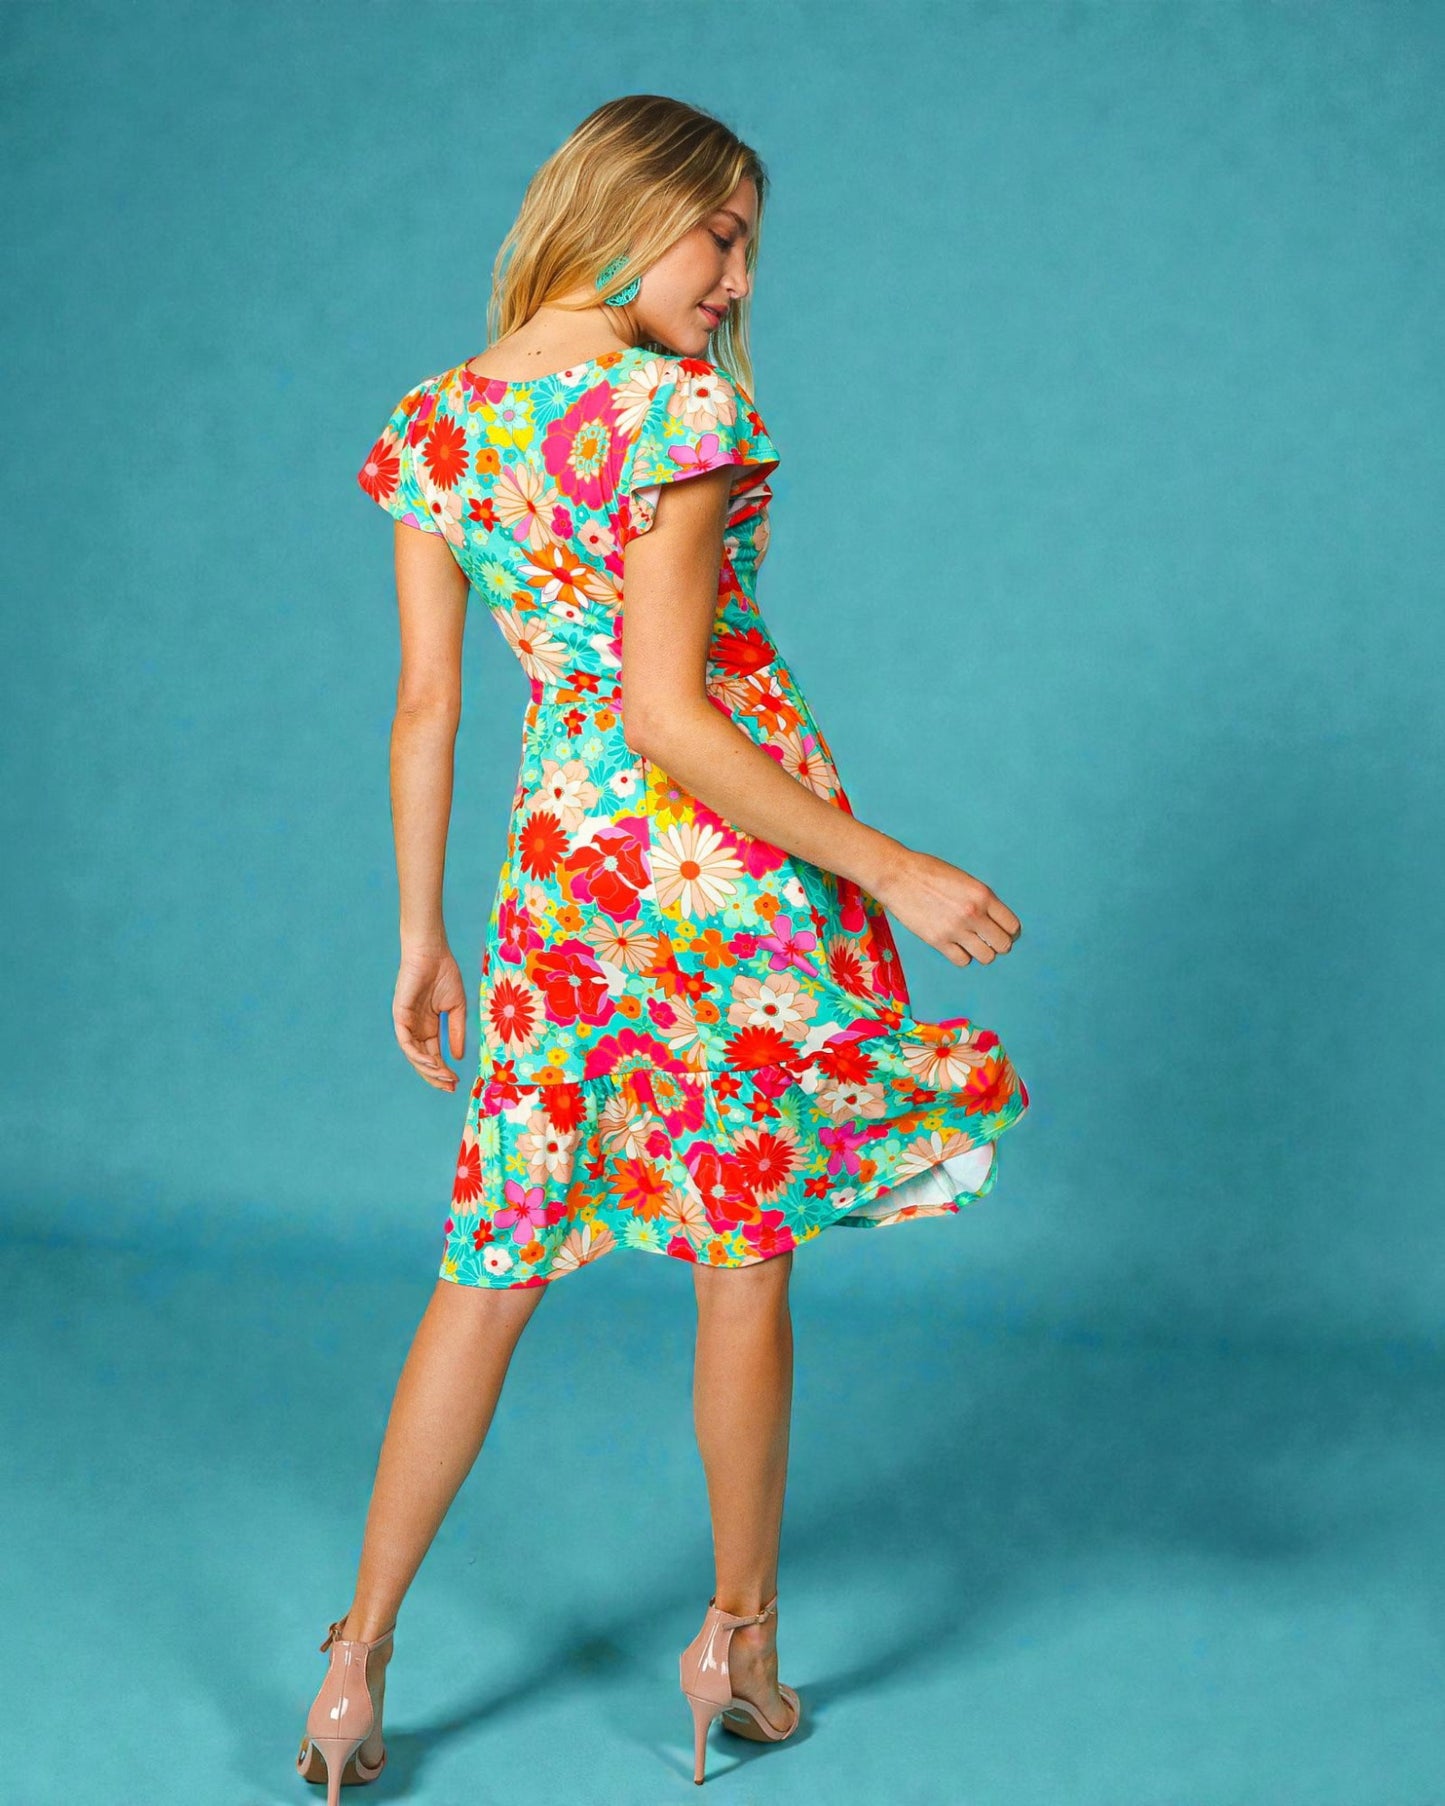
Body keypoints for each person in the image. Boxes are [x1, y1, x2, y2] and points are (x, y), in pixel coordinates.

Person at [297, 93, 1030, 1796]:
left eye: (749, 247)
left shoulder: (434, 422)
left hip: (557, 881)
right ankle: (739, 1647)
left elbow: (427, 705)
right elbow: (678, 717)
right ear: (634, 213)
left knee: (492, 1259)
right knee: (740, 1247)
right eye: (722, 237)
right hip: (726, 871)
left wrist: (420, 934)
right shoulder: (671, 409)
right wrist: (896, 866)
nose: (738, 278)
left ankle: (353, 1666)